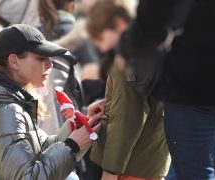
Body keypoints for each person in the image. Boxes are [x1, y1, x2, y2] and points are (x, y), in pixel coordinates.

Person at [0, 24, 102, 180]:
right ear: (14, 61)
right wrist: (73, 145)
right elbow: (27, 177)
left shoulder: (6, 98)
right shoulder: (2, 109)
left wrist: (81, 125)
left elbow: (40, 148)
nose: (50, 64)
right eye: (41, 58)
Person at [116, 0, 215, 179]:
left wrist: (127, 48)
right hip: (194, 89)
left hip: (193, 88)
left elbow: (155, 17)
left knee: (196, 173)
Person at [86, 1, 171, 179]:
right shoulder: (151, 49)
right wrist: (109, 101)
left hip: (131, 166)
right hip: (151, 160)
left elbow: (127, 117)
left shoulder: (125, 62)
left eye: (102, 38)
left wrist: (110, 171)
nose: (102, 48)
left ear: (118, 24)